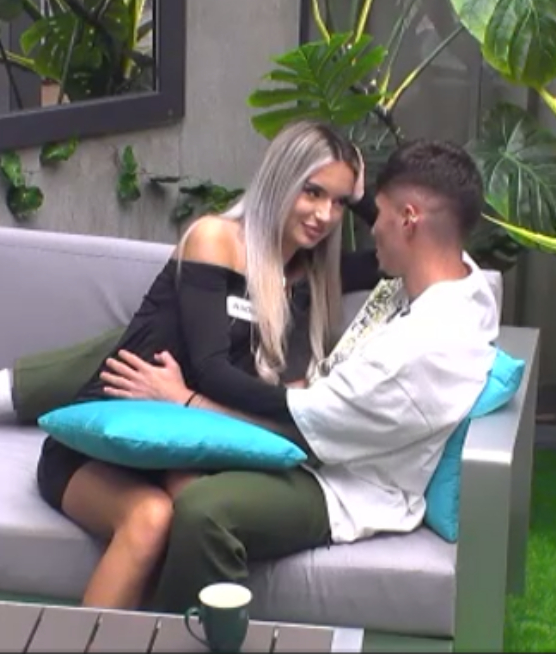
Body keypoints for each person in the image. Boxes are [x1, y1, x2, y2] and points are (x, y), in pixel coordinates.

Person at [0, 120, 384, 610]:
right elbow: (211, 369)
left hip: (192, 448)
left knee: (200, 512)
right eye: (313, 192)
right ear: (281, 181)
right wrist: (303, 408)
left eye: (339, 202)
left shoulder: (311, 275)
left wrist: (363, 195)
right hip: (109, 438)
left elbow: (396, 257)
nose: (325, 214)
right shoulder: (217, 240)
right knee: (150, 519)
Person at [97, 139, 501, 612]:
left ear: (409, 220)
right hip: (328, 429)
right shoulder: (458, 279)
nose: (371, 226)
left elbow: (296, 424)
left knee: (204, 510)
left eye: (377, 213)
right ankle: (22, 389)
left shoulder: (414, 350)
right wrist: (362, 194)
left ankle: (183, 637)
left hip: (344, 481)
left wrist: (187, 402)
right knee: (139, 357)